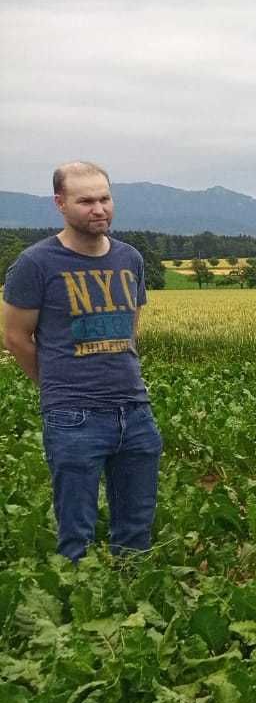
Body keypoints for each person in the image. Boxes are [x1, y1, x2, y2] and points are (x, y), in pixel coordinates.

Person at [2, 162, 163, 560]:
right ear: (60, 204)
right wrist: (55, 385)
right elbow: (15, 337)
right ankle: (79, 608)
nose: (99, 209)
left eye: (104, 198)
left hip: (134, 409)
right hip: (73, 415)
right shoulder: (36, 264)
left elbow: (131, 328)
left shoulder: (130, 259)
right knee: (77, 529)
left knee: (137, 523)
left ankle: (131, 604)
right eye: (85, 201)